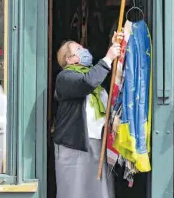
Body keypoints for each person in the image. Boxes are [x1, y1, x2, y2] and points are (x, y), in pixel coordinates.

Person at [53, 32, 123, 198]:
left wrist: (114, 46)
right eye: (78, 49)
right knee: (75, 191)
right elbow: (88, 83)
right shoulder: (65, 77)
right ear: (68, 59)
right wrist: (108, 57)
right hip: (75, 146)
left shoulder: (95, 76)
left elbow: (99, 77)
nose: (84, 50)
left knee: (99, 191)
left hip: (98, 144)